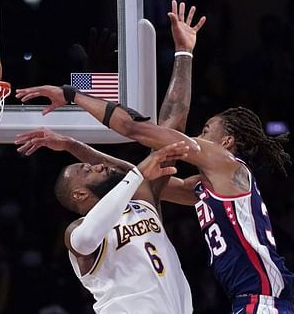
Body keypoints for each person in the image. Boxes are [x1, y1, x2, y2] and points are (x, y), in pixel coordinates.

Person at [15, 10, 294, 314]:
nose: (198, 136)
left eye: (205, 131)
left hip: (260, 298)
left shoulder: (224, 160)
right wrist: (72, 145)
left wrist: (73, 95)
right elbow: (132, 174)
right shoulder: (202, 189)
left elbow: (141, 131)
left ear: (227, 141)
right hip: (246, 299)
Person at [16, 129, 193, 313]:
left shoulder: (141, 205)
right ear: (80, 194)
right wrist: (137, 174)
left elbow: (168, 131)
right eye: (88, 170)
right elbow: (86, 240)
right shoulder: (76, 229)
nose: (98, 166)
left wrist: (70, 144)